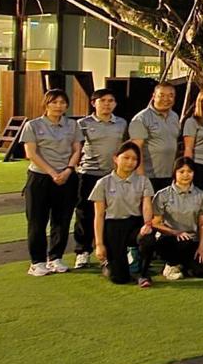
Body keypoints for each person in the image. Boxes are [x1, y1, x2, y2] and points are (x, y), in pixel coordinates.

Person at [20, 88, 84, 276]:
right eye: (54, 102)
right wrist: (52, 173)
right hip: (40, 177)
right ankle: (37, 262)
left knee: (62, 220)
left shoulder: (72, 125)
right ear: (46, 104)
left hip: (67, 176)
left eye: (62, 102)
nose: (58, 106)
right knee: (37, 221)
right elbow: (31, 153)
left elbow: (77, 149)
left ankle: (55, 257)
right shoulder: (33, 125)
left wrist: (68, 170)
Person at [73, 87, 129, 268]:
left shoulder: (121, 123)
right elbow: (75, 148)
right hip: (88, 174)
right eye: (102, 100)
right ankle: (83, 251)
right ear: (93, 103)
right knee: (85, 213)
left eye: (110, 101)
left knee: (110, 214)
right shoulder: (82, 123)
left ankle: (108, 250)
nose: (107, 104)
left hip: (113, 175)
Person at [91, 142, 156, 287]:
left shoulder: (143, 181)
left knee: (148, 238)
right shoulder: (103, 183)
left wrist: (147, 225)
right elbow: (99, 215)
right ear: (116, 158)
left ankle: (143, 273)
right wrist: (99, 244)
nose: (130, 162)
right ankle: (108, 264)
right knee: (119, 278)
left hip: (134, 224)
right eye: (126, 158)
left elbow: (146, 206)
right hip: (113, 226)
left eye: (134, 159)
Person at [148, 158, 203, 280]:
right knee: (183, 242)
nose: (186, 175)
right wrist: (175, 232)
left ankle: (182, 265)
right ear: (175, 172)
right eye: (181, 171)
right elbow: (155, 223)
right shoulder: (163, 195)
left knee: (202, 270)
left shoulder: (201, 195)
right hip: (168, 238)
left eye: (189, 171)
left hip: (192, 239)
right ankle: (171, 265)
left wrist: (201, 247)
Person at [130, 82, 181, 192]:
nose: (166, 99)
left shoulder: (174, 116)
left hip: (169, 176)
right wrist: (141, 177)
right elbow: (136, 149)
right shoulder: (141, 118)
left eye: (170, 95)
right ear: (153, 96)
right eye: (161, 95)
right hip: (149, 177)